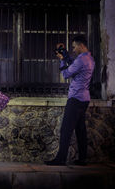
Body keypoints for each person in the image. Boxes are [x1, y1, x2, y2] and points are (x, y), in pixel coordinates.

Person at [45, 35, 95, 166]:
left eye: (74, 47)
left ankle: (60, 159)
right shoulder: (90, 59)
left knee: (66, 130)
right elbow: (75, 65)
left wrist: (62, 60)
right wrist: (66, 55)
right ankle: (82, 159)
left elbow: (66, 74)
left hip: (75, 99)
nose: (73, 49)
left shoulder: (81, 60)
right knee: (80, 130)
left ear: (80, 46)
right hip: (84, 99)